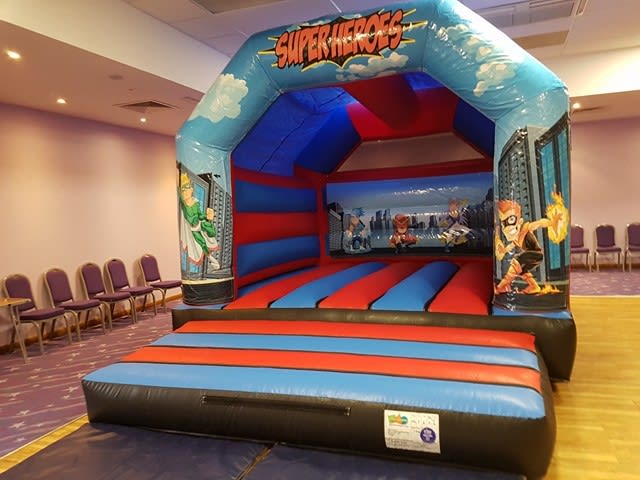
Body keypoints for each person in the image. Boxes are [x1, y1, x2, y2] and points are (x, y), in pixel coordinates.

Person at [494, 191, 568, 294]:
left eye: (511, 220)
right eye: (503, 223)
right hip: (530, 256)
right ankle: (534, 286)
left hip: (536, 254)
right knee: (522, 270)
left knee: (517, 260)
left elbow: (539, 223)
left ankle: (500, 287)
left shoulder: (525, 228)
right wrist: (503, 250)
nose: (507, 227)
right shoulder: (516, 240)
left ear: (519, 221)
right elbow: (509, 248)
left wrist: (552, 222)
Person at [178, 173, 220, 270]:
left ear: (191, 190)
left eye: (187, 189)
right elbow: (179, 194)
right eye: (183, 190)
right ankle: (212, 260)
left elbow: (200, 215)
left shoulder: (195, 203)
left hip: (200, 224)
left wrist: (207, 216)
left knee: (209, 230)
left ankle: (213, 260)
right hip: (193, 229)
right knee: (202, 243)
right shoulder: (184, 205)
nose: (185, 192)